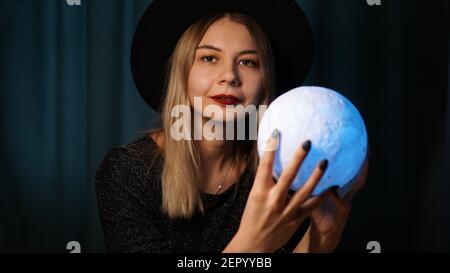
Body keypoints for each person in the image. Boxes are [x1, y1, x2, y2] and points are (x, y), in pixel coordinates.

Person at [94, 0, 369, 253]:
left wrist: (322, 237)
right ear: (182, 72)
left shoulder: (280, 173)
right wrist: (252, 243)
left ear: (265, 82)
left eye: (248, 62)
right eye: (210, 58)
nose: (229, 76)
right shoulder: (126, 171)